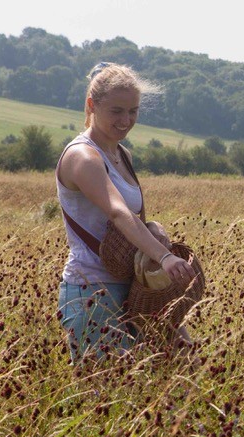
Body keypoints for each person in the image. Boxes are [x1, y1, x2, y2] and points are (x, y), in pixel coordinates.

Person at [55, 62, 196, 363]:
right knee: (106, 393)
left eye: (133, 111)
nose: (126, 120)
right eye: (117, 111)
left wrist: (154, 231)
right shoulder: (82, 156)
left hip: (135, 289)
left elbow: (134, 220)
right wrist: (165, 257)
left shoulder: (122, 155)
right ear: (92, 105)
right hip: (91, 291)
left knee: (175, 374)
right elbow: (119, 213)